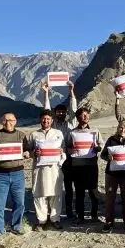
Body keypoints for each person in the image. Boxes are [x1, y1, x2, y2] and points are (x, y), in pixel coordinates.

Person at [43, 81, 78, 220]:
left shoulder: (71, 124)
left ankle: (69, 211)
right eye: (58, 111)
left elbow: (74, 110)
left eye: (63, 111)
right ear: (55, 113)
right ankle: (50, 212)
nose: (61, 113)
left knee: (69, 187)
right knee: (52, 185)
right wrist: (45, 93)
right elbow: (46, 110)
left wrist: (71, 91)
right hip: (53, 159)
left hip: (68, 160)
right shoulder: (53, 124)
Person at [26, 109, 66, 231]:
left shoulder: (58, 133)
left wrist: (61, 152)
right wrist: (34, 153)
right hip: (39, 170)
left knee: (56, 194)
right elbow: (28, 152)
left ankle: (55, 219)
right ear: (40, 120)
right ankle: (41, 220)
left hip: (55, 169)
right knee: (39, 194)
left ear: (52, 120)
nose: (46, 121)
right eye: (44, 118)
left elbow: (63, 149)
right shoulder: (34, 134)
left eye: (48, 119)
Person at [65, 107, 104, 223]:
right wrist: (69, 150)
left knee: (93, 191)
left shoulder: (95, 131)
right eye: (82, 115)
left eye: (87, 115)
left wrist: (98, 148)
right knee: (79, 191)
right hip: (77, 165)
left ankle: (94, 215)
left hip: (91, 165)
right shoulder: (72, 132)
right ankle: (80, 216)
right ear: (78, 118)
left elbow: (101, 143)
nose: (85, 117)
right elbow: (67, 146)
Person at [101, 120, 125, 231]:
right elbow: (103, 155)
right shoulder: (111, 140)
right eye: (121, 128)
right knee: (110, 198)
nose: (123, 130)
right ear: (118, 128)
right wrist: (108, 157)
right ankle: (109, 222)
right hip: (111, 174)